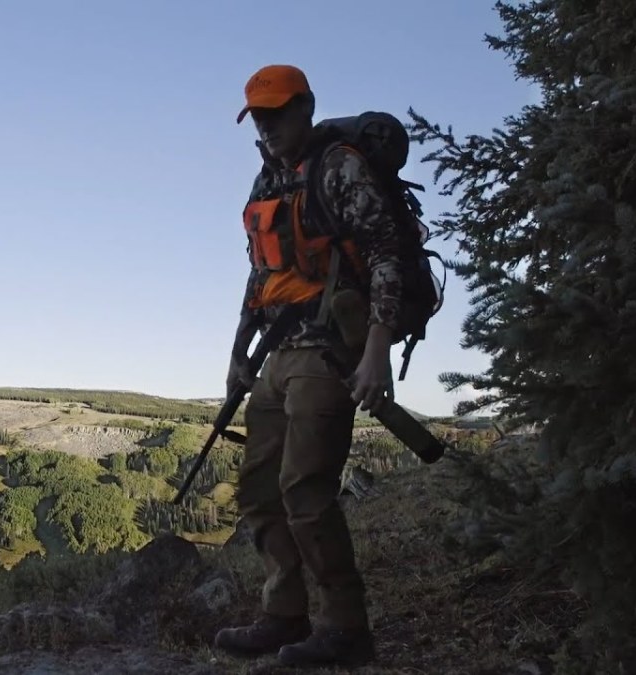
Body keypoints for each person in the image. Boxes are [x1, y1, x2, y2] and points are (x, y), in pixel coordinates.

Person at [212, 64, 404, 667]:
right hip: (276, 350)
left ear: (307, 107)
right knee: (259, 488)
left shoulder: (339, 167)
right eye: (260, 118)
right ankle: (283, 615)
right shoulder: (265, 181)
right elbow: (260, 274)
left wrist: (378, 352)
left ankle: (346, 628)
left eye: (279, 113)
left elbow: (384, 254)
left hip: (328, 351)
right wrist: (238, 355)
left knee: (305, 487)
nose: (269, 127)